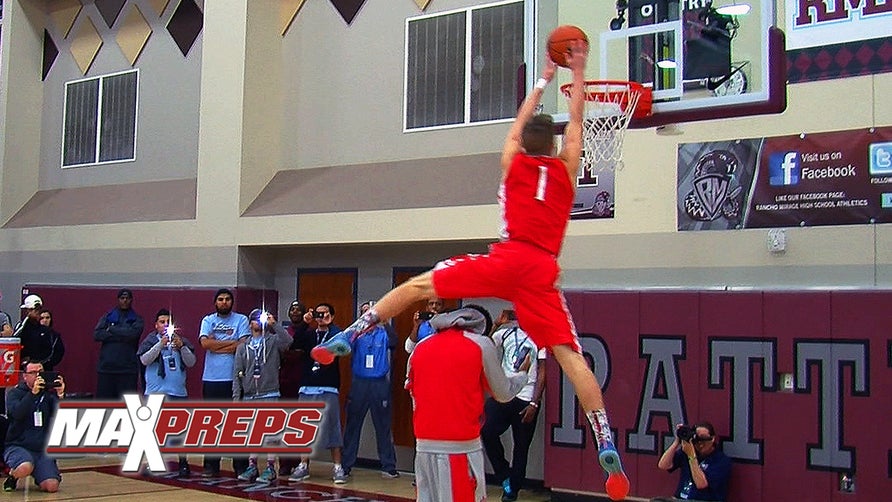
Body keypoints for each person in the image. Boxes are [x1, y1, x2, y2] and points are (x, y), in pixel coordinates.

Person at [312, 41, 629, 498]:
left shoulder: (512, 163)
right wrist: (577, 71)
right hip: (540, 269)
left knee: (420, 286)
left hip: (505, 257)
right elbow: (577, 120)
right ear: (556, 145)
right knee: (568, 357)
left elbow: (517, 127)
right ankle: (604, 437)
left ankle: (357, 329)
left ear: (525, 145)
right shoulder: (566, 169)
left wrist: (542, 79)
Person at [406, 305, 529, 502]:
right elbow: (503, 393)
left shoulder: (420, 348)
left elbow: (413, 393)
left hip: (423, 446)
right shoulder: (480, 344)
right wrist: (522, 375)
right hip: (461, 448)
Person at [481, 309, 545, 502]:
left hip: (526, 397)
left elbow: (543, 372)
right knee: (487, 430)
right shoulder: (507, 333)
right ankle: (504, 475)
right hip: (504, 393)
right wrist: (497, 324)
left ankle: (512, 489)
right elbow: (484, 346)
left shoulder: (541, 339)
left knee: (521, 446)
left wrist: (535, 402)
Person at [288, 302, 348, 484]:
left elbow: (344, 347)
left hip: (328, 386)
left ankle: (338, 467)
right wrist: (305, 323)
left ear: (332, 316)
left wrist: (332, 325)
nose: (321, 317)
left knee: (333, 428)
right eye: (318, 314)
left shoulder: (336, 334)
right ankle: (303, 466)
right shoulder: (309, 334)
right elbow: (294, 343)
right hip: (307, 386)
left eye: (325, 314)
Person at [233, 308, 293, 483]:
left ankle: (270, 467)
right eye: (254, 319)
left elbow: (288, 341)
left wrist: (275, 325)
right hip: (250, 395)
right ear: (249, 323)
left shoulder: (273, 341)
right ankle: (252, 466)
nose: (257, 322)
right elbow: (237, 373)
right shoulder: (243, 347)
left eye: (261, 319)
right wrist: (237, 399)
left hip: (270, 392)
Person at [342, 301, 399, 479]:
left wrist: (383, 320)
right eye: (365, 312)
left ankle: (388, 466)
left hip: (379, 383)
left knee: (383, 426)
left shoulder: (384, 332)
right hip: (359, 383)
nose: (369, 316)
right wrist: (357, 329)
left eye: (371, 312)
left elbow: (395, 341)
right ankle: (345, 465)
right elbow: (343, 346)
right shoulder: (356, 334)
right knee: (352, 425)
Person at [137, 308, 196, 477]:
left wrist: (182, 347)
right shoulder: (150, 340)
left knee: (180, 431)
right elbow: (144, 359)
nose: (165, 325)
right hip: (156, 392)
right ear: (156, 325)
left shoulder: (181, 341)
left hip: (178, 392)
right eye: (162, 322)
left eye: (168, 322)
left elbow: (191, 362)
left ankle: (183, 463)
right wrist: (160, 344)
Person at [198, 288, 250, 477]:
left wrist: (216, 345)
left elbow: (243, 345)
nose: (224, 302)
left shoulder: (241, 320)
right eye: (220, 299)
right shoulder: (208, 320)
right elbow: (205, 344)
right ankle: (211, 465)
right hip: (211, 379)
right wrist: (230, 344)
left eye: (228, 299)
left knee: (237, 424)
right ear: (215, 302)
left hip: (235, 379)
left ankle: (241, 466)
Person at [3, 360, 65, 492]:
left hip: (41, 449)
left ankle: (41, 473)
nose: (38, 375)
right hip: (18, 445)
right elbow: (17, 413)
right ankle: (13, 476)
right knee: (25, 466)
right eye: (33, 372)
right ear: (25, 376)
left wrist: (60, 395)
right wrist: (32, 394)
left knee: (51, 486)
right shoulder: (15, 393)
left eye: (40, 372)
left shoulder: (47, 395)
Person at [655, 422, 732, 502]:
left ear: (712, 439)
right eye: (697, 441)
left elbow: (701, 484)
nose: (700, 445)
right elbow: (663, 465)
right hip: (680, 498)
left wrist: (692, 456)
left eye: (704, 441)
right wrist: (677, 441)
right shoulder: (687, 452)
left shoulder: (721, 461)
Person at [93, 289, 144, 399]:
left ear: (131, 300)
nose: (125, 301)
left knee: (126, 408)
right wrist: (123, 334)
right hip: (106, 369)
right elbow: (97, 335)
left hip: (128, 371)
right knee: (104, 408)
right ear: (118, 299)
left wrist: (111, 329)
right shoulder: (107, 316)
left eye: (127, 298)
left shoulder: (137, 319)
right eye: (122, 298)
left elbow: (133, 334)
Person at [279, 300, 307, 476]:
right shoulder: (283, 332)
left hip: (301, 383)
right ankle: (284, 463)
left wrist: (293, 353)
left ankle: (300, 462)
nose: (295, 312)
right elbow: (283, 351)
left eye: (299, 309)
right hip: (283, 383)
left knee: (299, 424)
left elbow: (303, 353)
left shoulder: (308, 332)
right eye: (292, 309)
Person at [14, 297, 65, 372]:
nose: (36, 312)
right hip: (24, 369)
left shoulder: (48, 332)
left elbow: (55, 351)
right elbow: (14, 341)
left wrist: (42, 363)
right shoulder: (22, 327)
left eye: (38, 310)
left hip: (44, 370)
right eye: (30, 310)